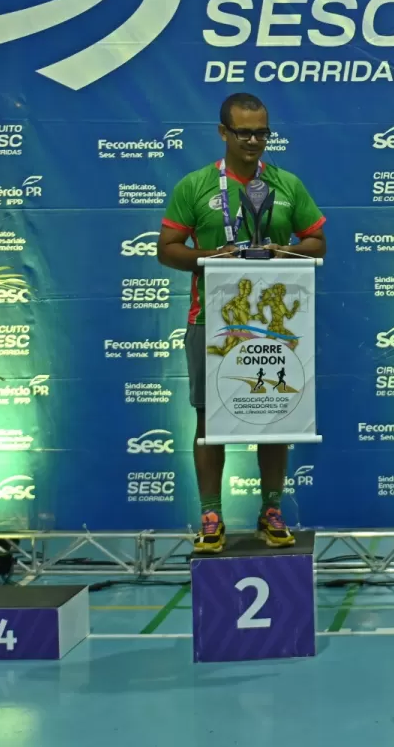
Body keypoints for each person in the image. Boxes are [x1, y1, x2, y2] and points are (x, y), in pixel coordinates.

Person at [157, 92, 327, 554]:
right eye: (244, 133)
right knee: (208, 420)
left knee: (275, 414)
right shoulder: (196, 186)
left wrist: (280, 252)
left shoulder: (286, 184)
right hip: (212, 320)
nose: (253, 141)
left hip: (277, 321)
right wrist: (211, 257)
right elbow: (167, 248)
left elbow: (317, 243)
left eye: (261, 133)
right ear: (223, 133)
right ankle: (211, 515)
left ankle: (271, 511)